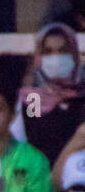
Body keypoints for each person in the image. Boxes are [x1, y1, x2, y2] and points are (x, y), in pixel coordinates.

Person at [17, 24, 85, 169]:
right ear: (38, 58)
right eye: (48, 52)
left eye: (63, 51)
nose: (56, 57)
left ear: (74, 54)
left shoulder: (82, 96)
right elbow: (34, 135)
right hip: (42, 179)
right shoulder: (33, 99)